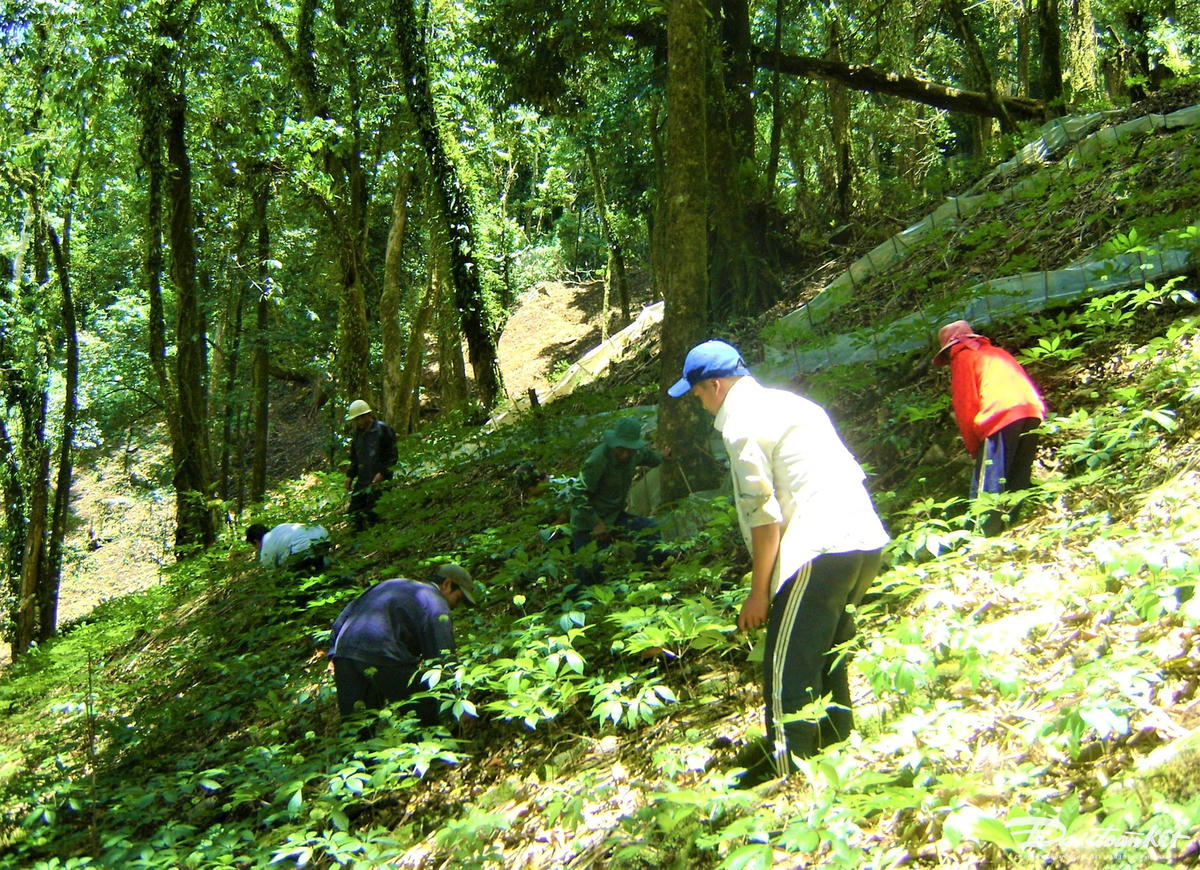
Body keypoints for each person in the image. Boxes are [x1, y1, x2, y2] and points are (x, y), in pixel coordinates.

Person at [667, 339, 889, 787]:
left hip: (818, 544)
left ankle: (788, 775)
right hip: (862, 538)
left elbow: (764, 518)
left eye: (696, 392)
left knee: (786, 667)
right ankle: (834, 747)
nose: (696, 402)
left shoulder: (740, 425)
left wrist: (758, 592)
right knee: (826, 654)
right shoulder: (791, 403)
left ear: (714, 385)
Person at [932, 320, 1046, 533]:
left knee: (989, 487)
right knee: (1017, 477)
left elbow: (966, 406)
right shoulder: (997, 352)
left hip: (999, 415)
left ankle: (984, 537)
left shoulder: (962, 357)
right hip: (1031, 411)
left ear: (950, 349)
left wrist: (975, 447)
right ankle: (1013, 528)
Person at [328, 564, 476, 727]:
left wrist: (333, 653)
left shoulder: (390, 585)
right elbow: (443, 656)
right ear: (447, 584)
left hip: (344, 653)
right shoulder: (436, 603)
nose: (456, 606)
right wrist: (459, 702)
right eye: (459, 598)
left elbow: (343, 618)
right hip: (384, 654)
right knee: (422, 709)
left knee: (355, 727)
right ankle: (428, 748)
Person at [569, 417, 666, 584]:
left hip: (615, 516)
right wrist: (595, 523)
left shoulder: (633, 455)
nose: (625, 454)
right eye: (621, 449)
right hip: (588, 523)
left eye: (630, 449)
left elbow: (649, 457)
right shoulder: (598, 459)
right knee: (588, 572)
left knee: (649, 531)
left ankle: (644, 575)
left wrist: (662, 456)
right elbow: (578, 494)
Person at [344, 399, 398, 531]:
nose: (358, 423)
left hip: (379, 480)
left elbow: (392, 455)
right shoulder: (357, 434)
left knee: (375, 512)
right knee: (354, 512)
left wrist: (383, 473)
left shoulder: (383, 430)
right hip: (363, 479)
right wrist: (350, 476)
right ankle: (357, 540)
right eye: (355, 420)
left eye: (359, 419)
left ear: (367, 415)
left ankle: (379, 538)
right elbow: (355, 458)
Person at [245, 522, 331, 576]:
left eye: (254, 546)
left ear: (256, 541)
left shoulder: (266, 545)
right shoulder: (279, 530)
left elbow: (272, 574)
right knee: (320, 563)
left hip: (303, 547)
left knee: (295, 577)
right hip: (322, 535)